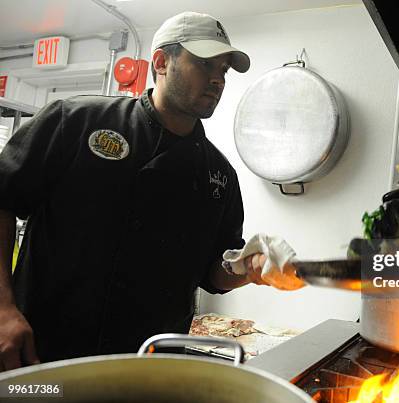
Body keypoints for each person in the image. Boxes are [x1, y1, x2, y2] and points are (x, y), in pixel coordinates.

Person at [0, 11, 298, 372]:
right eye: (205, 64)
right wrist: (3, 310)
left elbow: (214, 272)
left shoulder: (218, 174)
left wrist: (248, 269)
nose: (218, 79)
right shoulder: (76, 122)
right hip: (44, 352)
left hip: (147, 365)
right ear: (160, 61)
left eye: (223, 70)